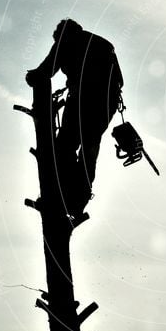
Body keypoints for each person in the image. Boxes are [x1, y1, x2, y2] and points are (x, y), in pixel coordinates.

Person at [26, 18, 123, 213]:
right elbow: (119, 80)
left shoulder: (67, 40)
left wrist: (32, 76)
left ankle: (62, 194)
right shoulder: (102, 43)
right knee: (89, 147)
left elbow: (45, 71)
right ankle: (79, 199)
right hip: (107, 103)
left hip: (84, 100)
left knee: (64, 147)